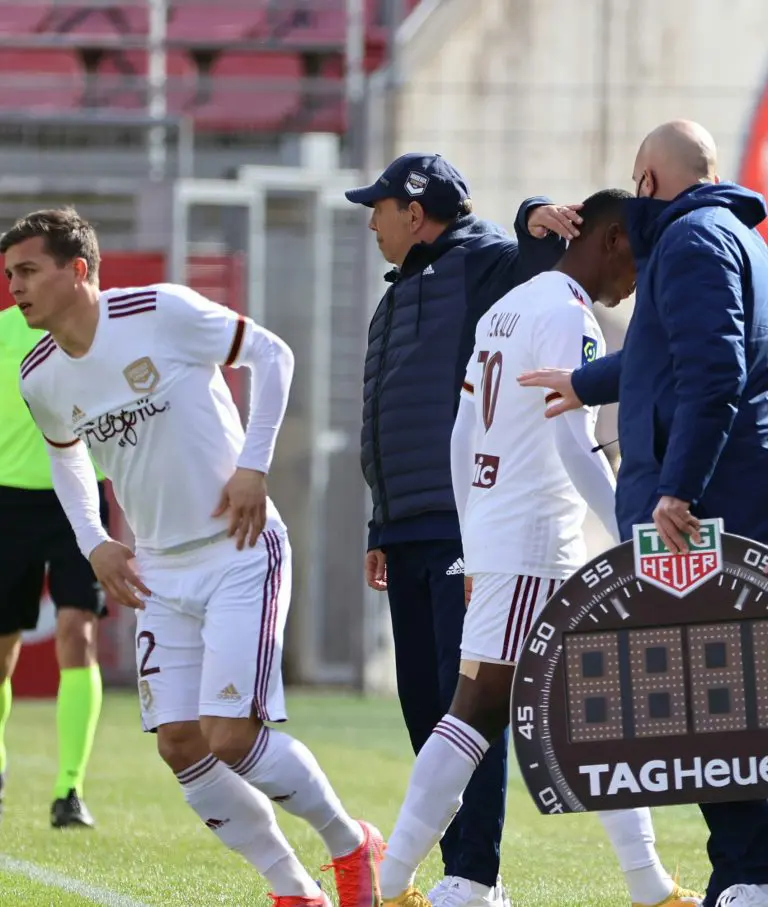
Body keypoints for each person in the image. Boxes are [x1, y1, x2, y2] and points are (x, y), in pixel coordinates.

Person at [8, 208, 382, 907]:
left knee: (231, 736)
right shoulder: (40, 375)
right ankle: (292, 888)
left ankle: (351, 844)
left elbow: (273, 354)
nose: (15, 288)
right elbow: (66, 459)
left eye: (28, 271)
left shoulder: (161, 311)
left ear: (78, 270)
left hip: (239, 550)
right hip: (158, 569)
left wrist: (254, 466)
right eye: (10, 275)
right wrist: (94, 540)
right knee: (180, 742)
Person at [374, 188, 700, 907]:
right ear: (611, 239)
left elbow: (462, 435)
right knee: (482, 712)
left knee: (581, 711)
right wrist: (632, 530)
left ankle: (648, 885)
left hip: (506, 536)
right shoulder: (568, 315)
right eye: (638, 257)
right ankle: (391, 883)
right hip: (535, 543)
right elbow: (571, 438)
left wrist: (473, 535)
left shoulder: (508, 307)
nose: (638, 278)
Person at [518, 120, 768, 907]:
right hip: (725, 499)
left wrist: (678, 488)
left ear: (649, 181)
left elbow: (713, 370)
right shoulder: (733, 237)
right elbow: (665, 357)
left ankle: (748, 875)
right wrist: (583, 382)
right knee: (727, 701)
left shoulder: (691, 241)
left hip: (704, 511)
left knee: (720, 708)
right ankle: (745, 870)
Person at [346, 152, 582, 907]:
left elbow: (541, 256)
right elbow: (385, 417)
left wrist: (531, 208)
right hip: (406, 526)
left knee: (468, 704)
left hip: (465, 527)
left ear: (414, 211)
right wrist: (380, 521)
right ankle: (452, 869)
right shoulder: (396, 294)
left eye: (379, 208)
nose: (372, 222)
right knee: (424, 701)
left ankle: (475, 875)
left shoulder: (482, 266)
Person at [0, 302, 107, 828]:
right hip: (7, 499)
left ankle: (70, 789)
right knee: (2, 650)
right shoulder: (3, 331)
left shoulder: (99, 328)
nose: (23, 283)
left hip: (79, 496)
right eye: (16, 272)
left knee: (78, 633)